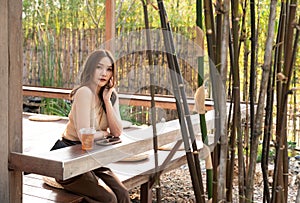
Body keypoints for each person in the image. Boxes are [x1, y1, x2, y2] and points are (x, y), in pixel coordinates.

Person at [50, 49, 131, 203]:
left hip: (93, 157)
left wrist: (107, 101)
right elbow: (83, 136)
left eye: (109, 69)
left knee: (122, 193)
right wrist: (104, 133)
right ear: (91, 69)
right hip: (70, 156)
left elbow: (117, 131)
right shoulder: (84, 92)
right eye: (99, 67)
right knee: (109, 199)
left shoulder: (111, 95)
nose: (104, 73)